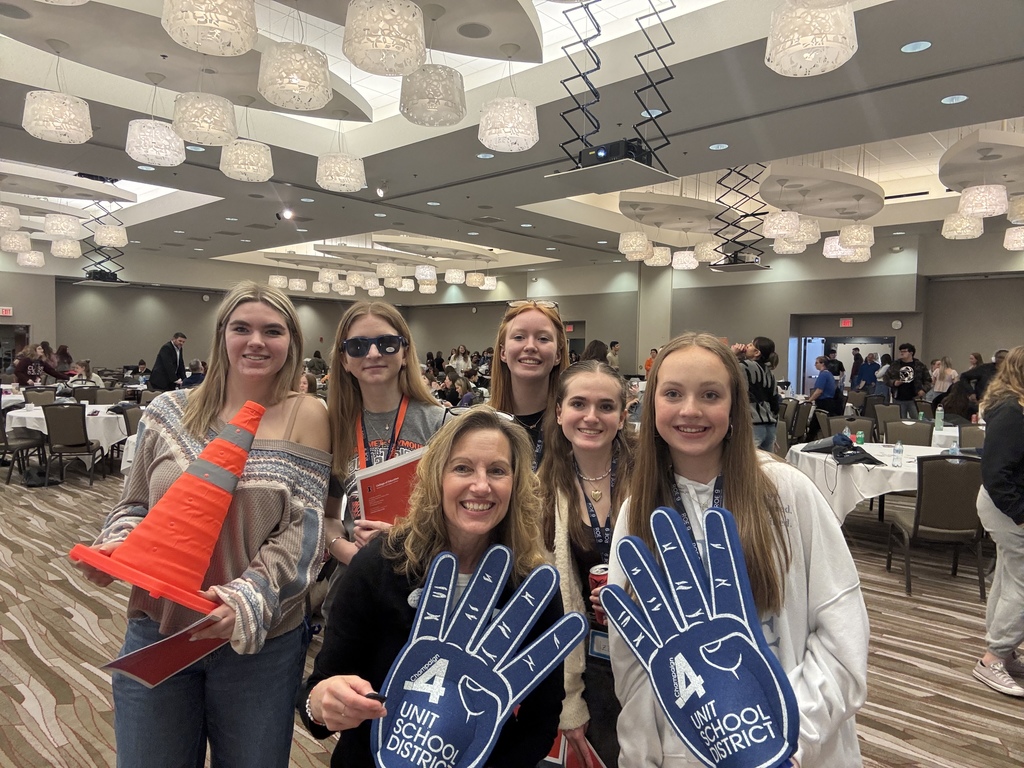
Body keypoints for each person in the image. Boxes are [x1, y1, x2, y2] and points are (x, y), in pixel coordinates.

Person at [72, 280, 332, 767]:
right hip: (159, 630)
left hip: (259, 645)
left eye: (272, 331)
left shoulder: (308, 415)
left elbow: (304, 531)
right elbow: (133, 506)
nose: (256, 341)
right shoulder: (168, 412)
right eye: (242, 328)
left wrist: (248, 600)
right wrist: (119, 549)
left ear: (291, 343)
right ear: (221, 338)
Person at [608, 332, 868, 767]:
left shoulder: (787, 491)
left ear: (734, 406)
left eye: (710, 394)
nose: (690, 410)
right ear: (651, 404)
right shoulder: (638, 512)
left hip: (795, 741)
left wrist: (779, 745)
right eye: (673, 393)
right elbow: (632, 660)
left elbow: (841, 635)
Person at [299, 408, 565, 768]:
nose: (481, 485)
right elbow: (317, 695)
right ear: (436, 477)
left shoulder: (531, 590)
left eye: (498, 471)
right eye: (463, 468)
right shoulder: (380, 564)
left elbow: (541, 721)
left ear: (516, 485)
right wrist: (322, 704)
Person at [538, 361, 635, 768]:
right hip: (584, 666)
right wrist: (568, 704)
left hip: (647, 661)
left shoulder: (652, 480)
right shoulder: (539, 491)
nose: (592, 417)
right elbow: (545, 614)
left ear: (623, 415)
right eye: (579, 403)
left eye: (606, 406)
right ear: (559, 412)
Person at [322, 301, 444, 596]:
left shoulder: (440, 424)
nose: (373, 353)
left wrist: (408, 540)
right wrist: (351, 553)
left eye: (387, 343)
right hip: (354, 589)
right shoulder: (332, 427)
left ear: (404, 353)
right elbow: (327, 516)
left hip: (422, 585)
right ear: (344, 359)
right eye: (358, 346)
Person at [972, 345, 1024, 698]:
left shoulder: (1014, 406)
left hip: (1008, 504)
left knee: (1010, 578)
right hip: (1007, 506)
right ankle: (992, 658)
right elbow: (996, 473)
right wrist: (1021, 515)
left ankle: (1003, 651)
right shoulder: (1011, 411)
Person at [489, 300, 569, 463]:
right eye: (519, 337)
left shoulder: (573, 426)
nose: (530, 346)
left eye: (543, 339)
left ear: (558, 356)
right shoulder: (481, 424)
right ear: (503, 353)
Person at [732, 336, 779, 451]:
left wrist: (732, 354)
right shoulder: (769, 372)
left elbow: (721, 369)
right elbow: (775, 404)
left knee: (747, 464)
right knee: (766, 465)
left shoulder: (746, 365)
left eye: (751, 344)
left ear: (757, 352)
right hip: (769, 426)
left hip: (754, 424)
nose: (747, 345)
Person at [883, 343, 932, 418]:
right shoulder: (895, 365)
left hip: (915, 398)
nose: (901, 353)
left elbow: (928, 380)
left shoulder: (919, 365)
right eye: (900, 351)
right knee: (900, 420)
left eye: (904, 351)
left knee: (918, 419)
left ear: (911, 353)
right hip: (898, 398)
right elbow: (886, 378)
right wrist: (894, 383)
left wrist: (924, 390)